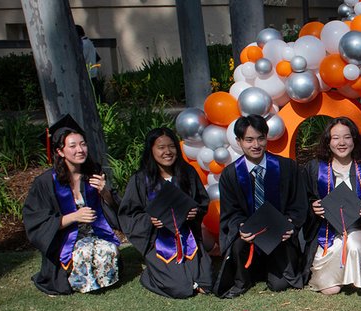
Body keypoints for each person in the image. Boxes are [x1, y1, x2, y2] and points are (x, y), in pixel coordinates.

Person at [214, 115, 308, 298]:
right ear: (238, 141)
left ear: (267, 138)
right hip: (248, 240)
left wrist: (291, 224)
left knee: (280, 285)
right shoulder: (230, 175)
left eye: (260, 138)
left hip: (279, 238)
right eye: (249, 140)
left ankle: (272, 269)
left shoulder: (287, 167)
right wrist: (241, 227)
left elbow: (299, 204)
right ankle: (246, 276)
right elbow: (230, 211)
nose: (256, 145)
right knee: (238, 245)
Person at [23, 122, 121, 295]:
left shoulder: (93, 172)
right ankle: (75, 278)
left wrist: (104, 191)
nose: (80, 149)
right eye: (73, 146)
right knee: (84, 253)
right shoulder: (45, 183)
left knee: (107, 249)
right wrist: (74, 216)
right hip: (64, 238)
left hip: (94, 232)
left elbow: (114, 206)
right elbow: (37, 222)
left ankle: (98, 278)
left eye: (83, 144)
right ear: (60, 152)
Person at [119, 128, 214, 298]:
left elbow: (202, 202)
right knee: (180, 289)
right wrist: (149, 220)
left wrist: (195, 212)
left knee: (207, 282)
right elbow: (129, 214)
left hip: (188, 237)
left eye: (172, 146)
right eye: (161, 147)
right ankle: (149, 276)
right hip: (159, 243)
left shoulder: (187, 173)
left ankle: (188, 274)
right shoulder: (141, 180)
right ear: (151, 150)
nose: (168, 152)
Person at [303, 117, 361, 295]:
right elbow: (302, 198)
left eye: (347, 137)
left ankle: (357, 274)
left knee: (353, 243)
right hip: (326, 231)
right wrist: (312, 206)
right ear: (328, 141)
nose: (341, 142)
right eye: (335, 138)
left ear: (354, 140)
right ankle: (341, 275)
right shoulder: (315, 168)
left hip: (358, 228)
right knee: (330, 289)